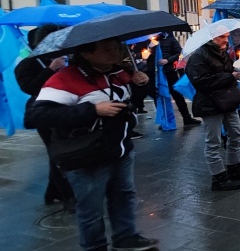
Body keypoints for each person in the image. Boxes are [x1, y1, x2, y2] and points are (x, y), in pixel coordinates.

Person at [25, 37, 158, 251]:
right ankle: (95, 246)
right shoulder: (66, 78)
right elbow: (36, 116)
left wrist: (140, 83)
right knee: (91, 209)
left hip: (121, 150)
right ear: (86, 53)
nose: (115, 52)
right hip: (88, 156)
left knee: (123, 196)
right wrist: (93, 110)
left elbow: (129, 103)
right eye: (107, 49)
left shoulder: (119, 72)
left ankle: (126, 238)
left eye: (116, 47)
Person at [185, 31, 240, 191]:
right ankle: (218, 178)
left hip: (227, 100)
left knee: (236, 133)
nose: (226, 40)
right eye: (222, 37)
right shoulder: (199, 56)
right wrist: (230, 76)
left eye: (226, 36)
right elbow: (201, 82)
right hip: (210, 104)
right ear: (211, 38)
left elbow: (227, 72)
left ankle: (235, 168)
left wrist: (239, 74)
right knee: (213, 141)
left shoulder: (223, 53)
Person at [17, 24, 74, 210]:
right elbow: (29, 87)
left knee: (59, 151)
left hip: (68, 109)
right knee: (58, 152)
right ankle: (68, 196)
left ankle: (53, 191)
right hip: (45, 113)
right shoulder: (28, 64)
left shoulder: (69, 58)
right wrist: (50, 69)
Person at [146, 32, 201, 125]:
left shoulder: (170, 39)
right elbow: (144, 54)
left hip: (169, 71)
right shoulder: (149, 41)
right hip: (155, 73)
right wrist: (149, 49)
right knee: (159, 96)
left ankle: (186, 117)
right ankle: (164, 120)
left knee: (177, 95)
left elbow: (179, 52)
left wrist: (168, 60)